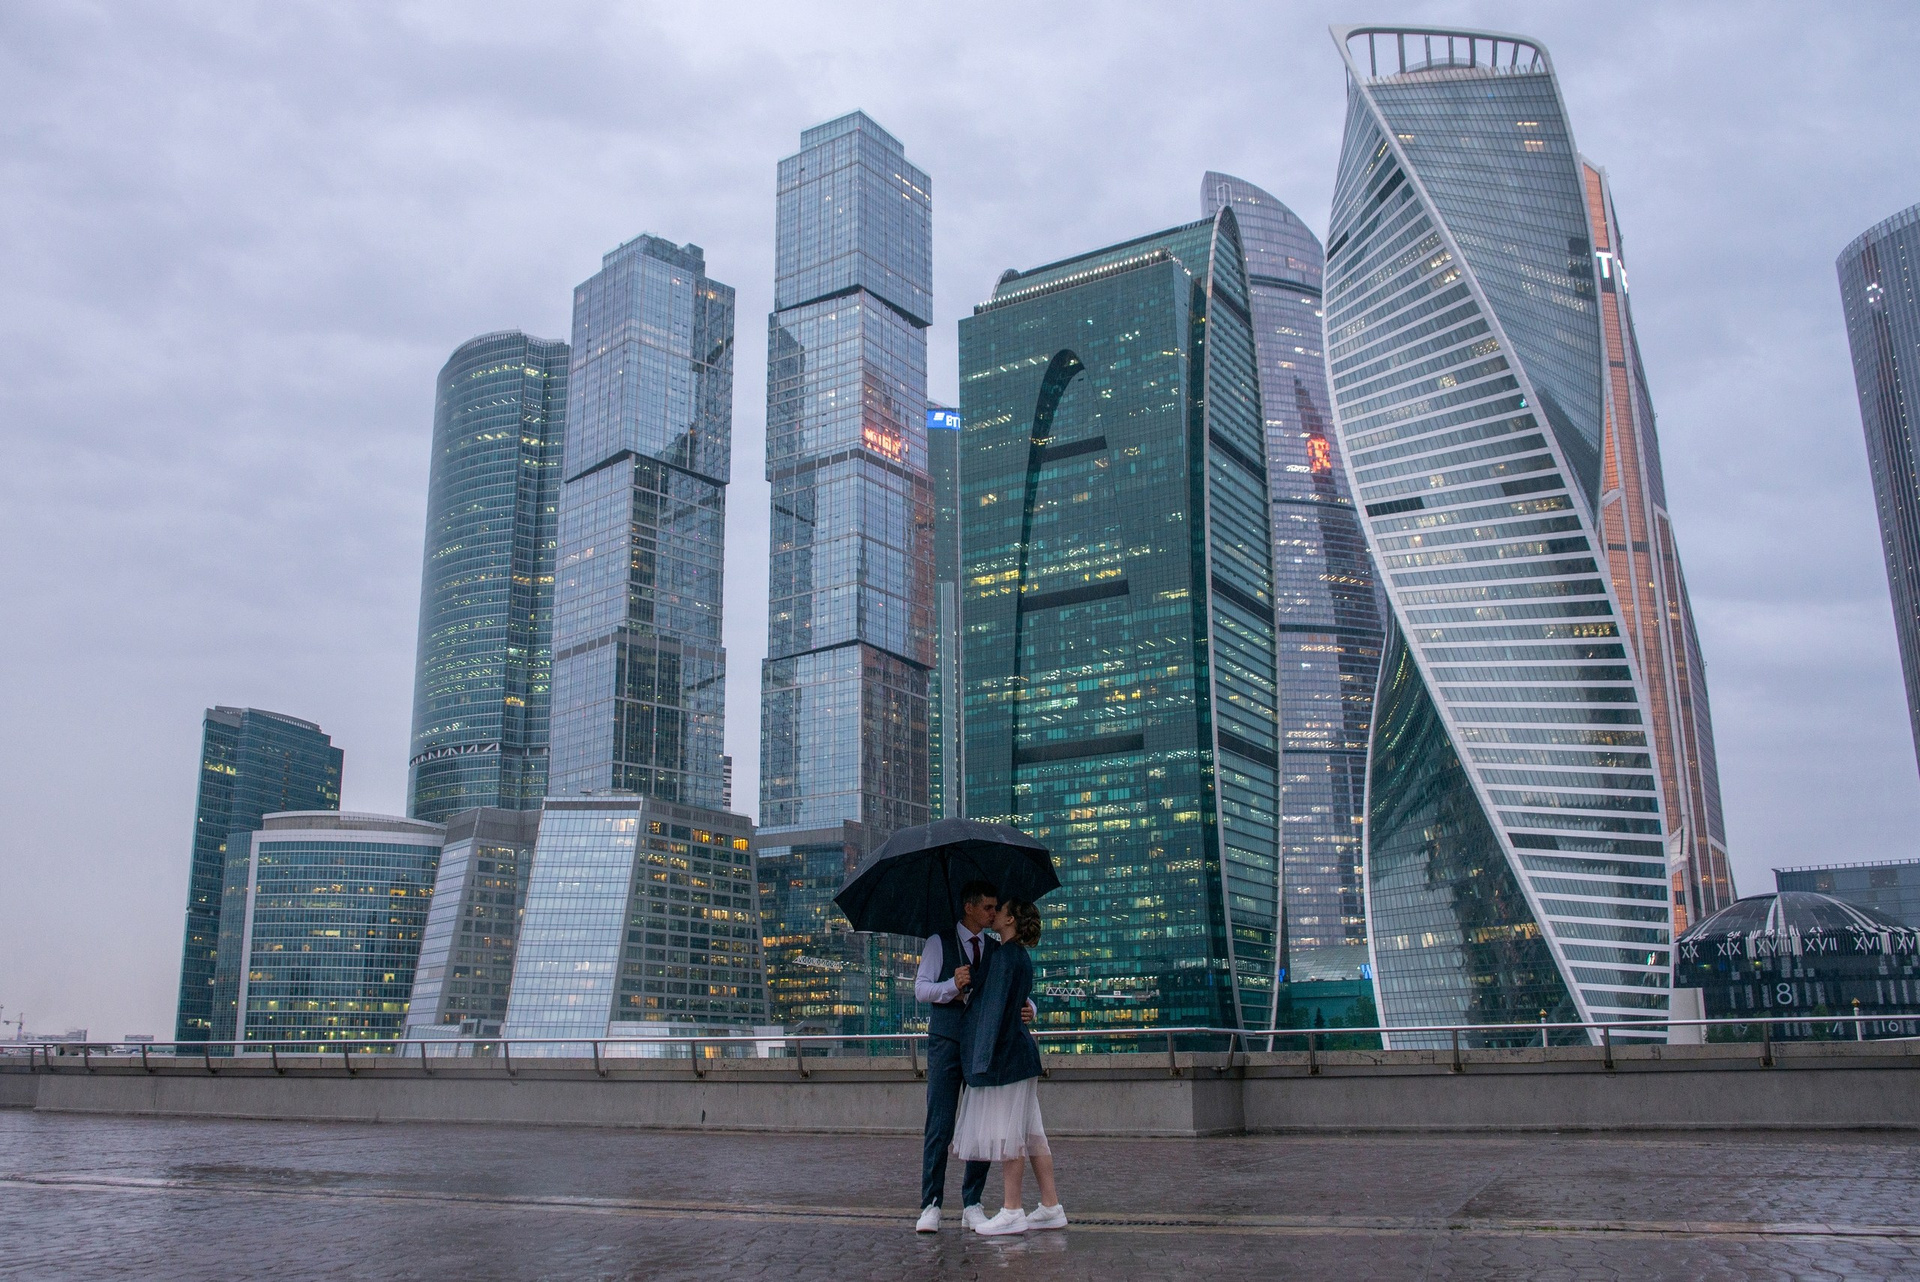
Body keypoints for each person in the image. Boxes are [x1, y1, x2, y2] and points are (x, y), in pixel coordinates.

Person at [951, 899, 1066, 1235]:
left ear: (1010, 918)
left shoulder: (1003, 956)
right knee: (1032, 1134)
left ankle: (1012, 1210)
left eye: (998, 909)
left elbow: (993, 1013)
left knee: (1010, 1134)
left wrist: (980, 1060)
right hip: (1021, 1054)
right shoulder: (1019, 955)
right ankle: (1050, 1206)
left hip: (1006, 1058)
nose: (994, 914)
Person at [912, 880, 1001, 1233]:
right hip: (946, 1042)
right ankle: (931, 1204)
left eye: (995, 908)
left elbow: (1012, 991)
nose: (993, 914)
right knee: (940, 1123)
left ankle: (972, 1203)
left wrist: (1031, 1008)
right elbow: (921, 990)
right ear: (969, 908)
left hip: (981, 1044)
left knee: (981, 1123)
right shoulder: (939, 942)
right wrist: (952, 985)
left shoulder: (996, 949)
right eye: (988, 907)